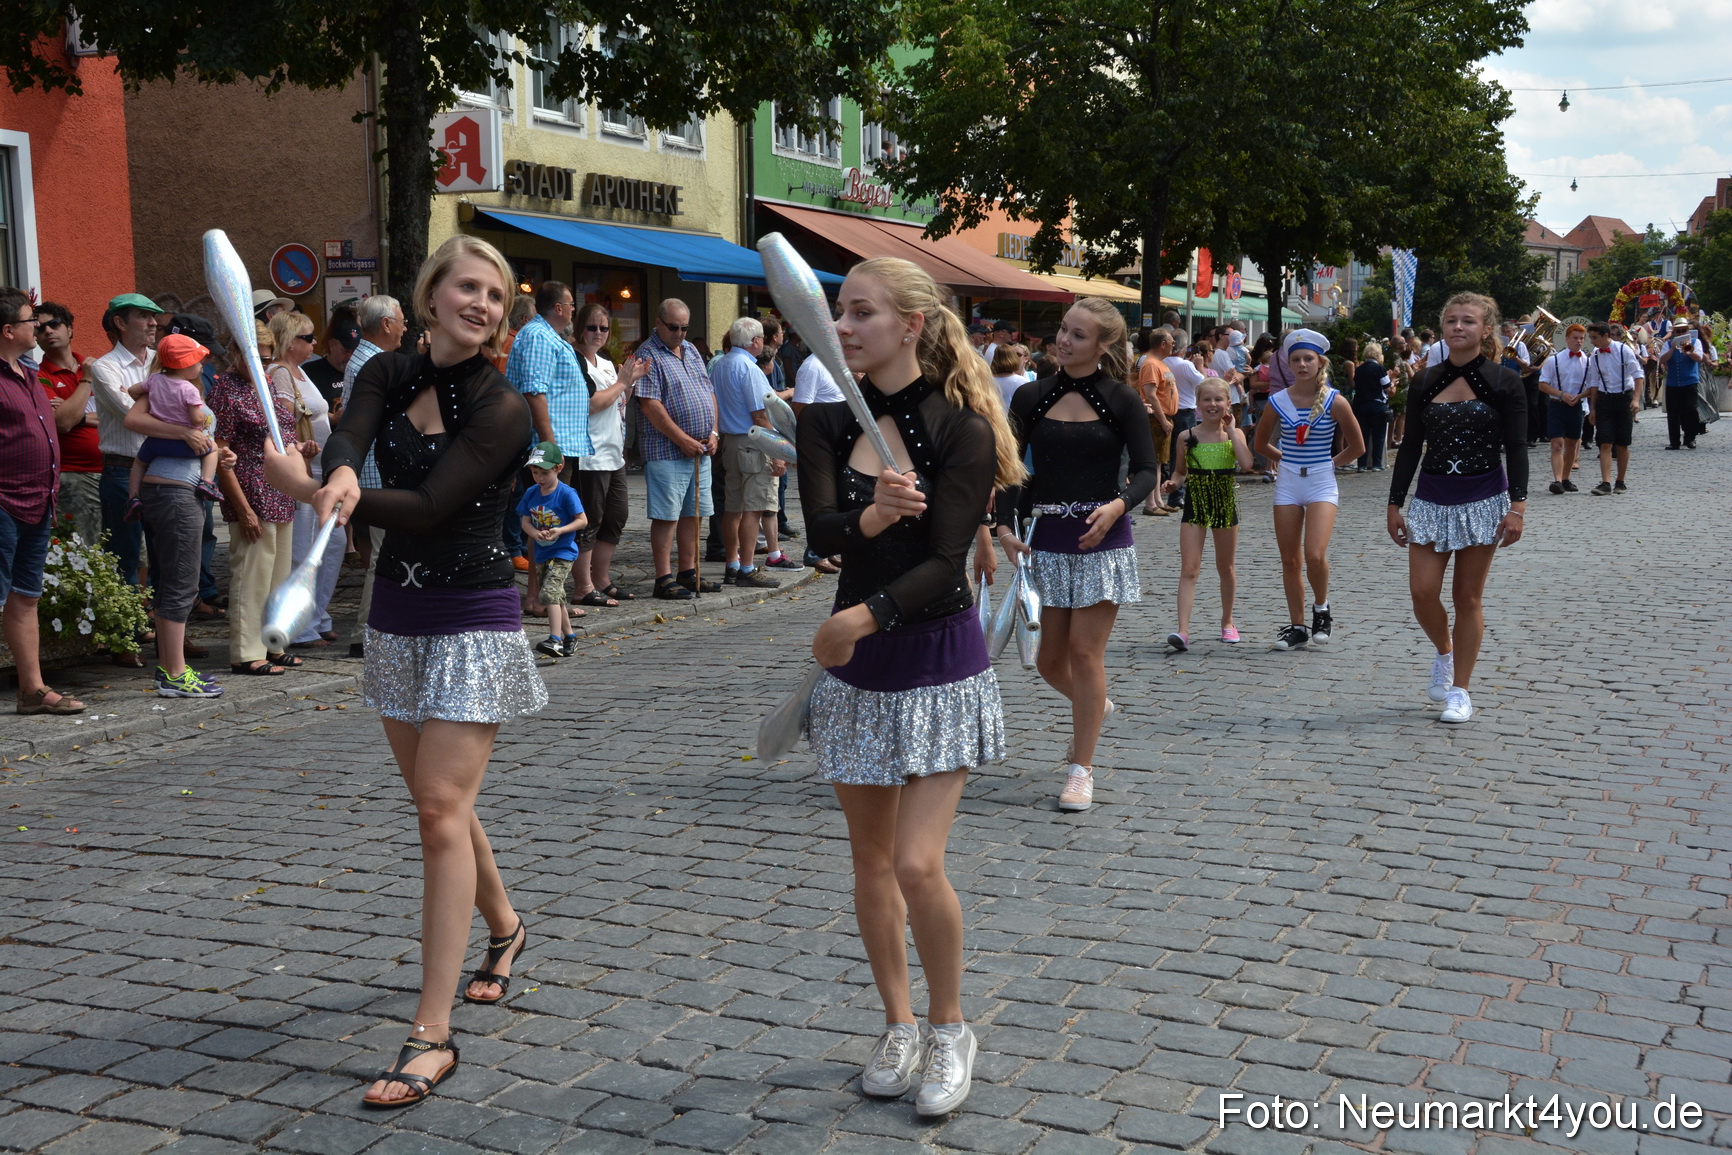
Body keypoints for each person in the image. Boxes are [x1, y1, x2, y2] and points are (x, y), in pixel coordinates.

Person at [263, 233, 545, 1111]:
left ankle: (430, 1031)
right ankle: (506, 927)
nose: (482, 305)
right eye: (468, 287)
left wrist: (317, 494)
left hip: (472, 616)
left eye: (495, 296)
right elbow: (349, 432)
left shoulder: (502, 406)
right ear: (429, 297)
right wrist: (335, 468)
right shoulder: (384, 371)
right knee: (443, 804)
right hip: (396, 614)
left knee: (437, 810)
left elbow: (428, 507)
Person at [796, 256, 1022, 1119]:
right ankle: (897, 1023)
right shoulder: (822, 420)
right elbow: (820, 529)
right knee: (869, 861)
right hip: (860, 675)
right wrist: (871, 518)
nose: (845, 327)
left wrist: (858, 618)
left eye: (861, 313)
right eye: (840, 313)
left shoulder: (960, 428)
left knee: (917, 862)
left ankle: (951, 1024)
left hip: (935, 659)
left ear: (911, 325)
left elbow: (946, 562)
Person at [997, 298, 1160, 812]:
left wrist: (1117, 507)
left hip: (1102, 536)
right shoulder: (1030, 395)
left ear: (1104, 344)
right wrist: (1002, 524)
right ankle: (1096, 706)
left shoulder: (1123, 399)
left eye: (1079, 334)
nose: (1064, 340)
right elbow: (1012, 470)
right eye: (1064, 330)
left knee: (1087, 655)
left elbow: (1147, 472)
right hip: (1047, 538)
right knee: (1048, 660)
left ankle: (1080, 768)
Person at [1387, 292, 1527, 724]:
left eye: (1468, 321)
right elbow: (1410, 446)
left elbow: (1517, 446)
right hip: (1431, 497)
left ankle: (1461, 691)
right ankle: (1444, 653)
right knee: (1421, 593)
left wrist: (1517, 506)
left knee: (1466, 596)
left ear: (1486, 330)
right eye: (1451, 321)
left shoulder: (1504, 381)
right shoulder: (1425, 379)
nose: (1458, 327)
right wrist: (1394, 503)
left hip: (1484, 497)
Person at [120, 337, 226, 700]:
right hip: (176, 494)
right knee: (182, 582)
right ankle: (175, 674)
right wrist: (189, 432)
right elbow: (133, 417)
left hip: (165, 489)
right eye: (197, 360)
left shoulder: (161, 384)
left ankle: (171, 667)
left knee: (173, 582)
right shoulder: (178, 389)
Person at [1253, 329, 1365, 650]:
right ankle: (1298, 626)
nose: (1302, 365)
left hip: (1320, 481)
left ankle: (1321, 608)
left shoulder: (1335, 400)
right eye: (1296, 360)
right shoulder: (1277, 400)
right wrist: (1283, 459)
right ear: (1288, 365)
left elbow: (1357, 447)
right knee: (1290, 559)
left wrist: (1330, 464)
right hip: (1288, 481)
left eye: (1308, 359)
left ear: (1319, 363)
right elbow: (1261, 443)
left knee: (1314, 554)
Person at [1, 289, 85, 715]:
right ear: (8, 330)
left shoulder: (29, 373)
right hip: (3, 500)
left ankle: (31, 690)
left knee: (26, 596)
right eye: (30, 320)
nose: (38, 327)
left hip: (36, 500)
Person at [209, 321, 302, 676]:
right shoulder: (225, 390)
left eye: (266, 359)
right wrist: (243, 508)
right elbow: (220, 452)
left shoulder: (262, 384)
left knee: (277, 575)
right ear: (236, 353)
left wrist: (301, 449)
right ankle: (247, 652)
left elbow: (284, 434)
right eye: (254, 358)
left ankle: (272, 644)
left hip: (278, 487)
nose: (261, 366)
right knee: (251, 573)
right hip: (249, 486)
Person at [86, 293, 166, 663]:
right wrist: (173, 407)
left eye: (154, 317)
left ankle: (168, 636)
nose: (153, 323)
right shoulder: (104, 367)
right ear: (120, 322)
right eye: (143, 317)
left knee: (168, 556)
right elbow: (129, 414)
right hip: (122, 470)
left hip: (163, 470)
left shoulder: (161, 361)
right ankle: (123, 641)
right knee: (125, 558)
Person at [504, 281, 591, 618]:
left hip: (557, 442)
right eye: (570, 304)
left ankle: (546, 596)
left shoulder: (547, 336)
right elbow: (534, 392)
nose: (572, 310)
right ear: (558, 307)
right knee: (546, 519)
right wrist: (550, 444)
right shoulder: (539, 336)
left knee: (549, 519)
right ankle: (541, 598)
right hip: (548, 446)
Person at [264, 311, 346, 648]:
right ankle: (299, 624)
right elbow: (282, 421)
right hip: (301, 468)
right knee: (303, 548)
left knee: (332, 543)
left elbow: (312, 412)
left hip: (319, 466)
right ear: (290, 340)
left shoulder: (300, 371)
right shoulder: (280, 372)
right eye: (308, 337)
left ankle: (316, 615)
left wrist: (331, 417)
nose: (314, 343)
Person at [634, 299, 721, 601]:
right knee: (667, 516)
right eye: (674, 327)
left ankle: (689, 572)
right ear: (658, 323)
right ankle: (663, 578)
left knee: (693, 514)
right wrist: (682, 438)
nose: (680, 333)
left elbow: (708, 391)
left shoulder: (692, 350)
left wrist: (713, 432)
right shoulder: (648, 354)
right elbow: (650, 405)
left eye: (685, 327)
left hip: (699, 449)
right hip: (666, 450)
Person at [1162, 377, 1252, 651]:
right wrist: (1173, 483)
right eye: (1206, 400)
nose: (1212, 404)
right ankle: (1183, 630)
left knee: (1225, 567)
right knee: (1189, 568)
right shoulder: (1186, 436)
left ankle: (1227, 621)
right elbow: (1180, 471)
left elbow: (1247, 464)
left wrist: (1234, 430)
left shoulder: (1232, 436)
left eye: (1218, 399)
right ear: (1198, 404)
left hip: (1224, 502)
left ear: (1227, 403)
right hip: (1196, 504)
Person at [570, 302, 647, 607]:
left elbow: (618, 401)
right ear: (579, 328)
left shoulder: (604, 362)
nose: (598, 333)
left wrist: (630, 380)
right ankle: (582, 586)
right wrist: (622, 382)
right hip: (591, 453)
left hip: (614, 452)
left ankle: (601, 578)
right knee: (590, 519)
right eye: (592, 327)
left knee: (616, 516)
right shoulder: (576, 360)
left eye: (604, 328)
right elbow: (591, 403)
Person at [342, 295, 407, 657]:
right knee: (382, 558)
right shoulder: (374, 363)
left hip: (376, 472)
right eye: (400, 320)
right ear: (385, 324)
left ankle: (379, 629)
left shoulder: (368, 359)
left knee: (384, 555)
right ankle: (365, 634)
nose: (404, 326)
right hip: (378, 473)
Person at [709, 316, 786, 590]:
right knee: (753, 509)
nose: (762, 343)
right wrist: (777, 451)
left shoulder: (721, 364)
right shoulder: (749, 369)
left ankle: (732, 563)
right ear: (755, 341)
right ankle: (747, 568)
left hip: (731, 441)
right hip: (753, 442)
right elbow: (760, 415)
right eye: (762, 339)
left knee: (733, 508)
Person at [122, 335, 222, 512]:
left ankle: (133, 497)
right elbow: (195, 419)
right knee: (212, 448)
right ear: (186, 364)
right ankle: (207, 482)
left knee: (138, 463)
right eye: (198, 363)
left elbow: (132, 390)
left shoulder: (154, 380)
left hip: (155, 443)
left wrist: (152, 400)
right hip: (185, 448)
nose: (201, 367)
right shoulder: (188, 389)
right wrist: (199, 418)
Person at [33, 302, 102, 547]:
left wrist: (77, 416)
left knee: (135, 551)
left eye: (54, 324)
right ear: (36, 338)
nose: (48, 331)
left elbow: (122, 416)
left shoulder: (99, 366)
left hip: (115, 471)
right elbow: (62, 423)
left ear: (70, 329)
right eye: (40, 328)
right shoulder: (39, 376)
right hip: (74, 475)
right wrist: (87, 380)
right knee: (86, 550)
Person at [517, 441, 588, 656]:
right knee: (556, 597)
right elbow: (525, 521)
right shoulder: (531, 492)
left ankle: (554, 639)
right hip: (542, 552)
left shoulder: (566, 493)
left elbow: (582, 520)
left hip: (563, 551)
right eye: (535, 472)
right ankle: (570, 637)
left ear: (558, 468)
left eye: (544, 473)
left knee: (549, 593)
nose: (539, 478)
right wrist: (533, 533)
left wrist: (560, 530)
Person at [1584, 321, 1641, 496]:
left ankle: (1620, 481)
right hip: (1605, 399)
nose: (1592, 341)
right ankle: (1606, 482)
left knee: (1622, 443)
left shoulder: (1624, 351)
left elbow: (1638, 375)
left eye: (1594, 338)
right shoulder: (1594, 355)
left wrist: (1636, 399)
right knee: (1605, 442)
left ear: (1605, 336)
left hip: (1624, 398)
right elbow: (1594, 382)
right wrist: (1592, 409)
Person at [1538, 324, 1590, 493]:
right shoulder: (1554, 360)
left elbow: (1592, 386)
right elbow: (1542, 384)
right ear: (1567, 339)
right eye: (1575, 338)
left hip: (1576, 407)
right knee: (1556, 444)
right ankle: (1557, 480)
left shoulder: (1588, 362)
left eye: (1581, 338)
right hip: (1557, 406)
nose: (1578, 342)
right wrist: (1561, 394)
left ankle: (1566, 479)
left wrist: (1580, 397)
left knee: (1572, 445)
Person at [1135, 329, 1177, 514]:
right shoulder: (1151, 364)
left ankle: (1158, 500)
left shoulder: (1159, 364)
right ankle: (1151, 503)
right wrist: (1163, 420)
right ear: (1162, 344)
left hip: (1162, 417)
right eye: (1171, 342)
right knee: (1154, 462)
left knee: (1159, 461)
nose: (1173, 345)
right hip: (1156, 418)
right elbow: (1151, 395)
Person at [1661, 320, 1707, 450]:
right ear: (1674, 332)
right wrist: (1672, 348)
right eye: (1678, 331)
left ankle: (1690, 438)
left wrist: (1687, 348)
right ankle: (1674, 441)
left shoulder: (1695, 342)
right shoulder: (1668, 344)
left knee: (1691, 410)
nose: (1680, 333)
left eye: (1683, 330)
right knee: (1673, 413)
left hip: (1689, 382)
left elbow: (1698, 358)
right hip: (1673, 383)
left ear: (1687, 331)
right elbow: (1662, 360)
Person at [303, 308, 360, 406]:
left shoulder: (365, 371)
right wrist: (332, 418)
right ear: (332, 345)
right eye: (346, 351)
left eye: (355, 351)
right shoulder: (310, 372)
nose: (351, 356)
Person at [1351, 342, 1393, 472]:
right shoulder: (1379, 368)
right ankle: (1376, 464)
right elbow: (1387, 386)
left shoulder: (1359, 369)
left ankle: (1362, 464)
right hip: (1377, 405)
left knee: (1363, 435)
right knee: (1378, 435)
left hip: (1361, 405)